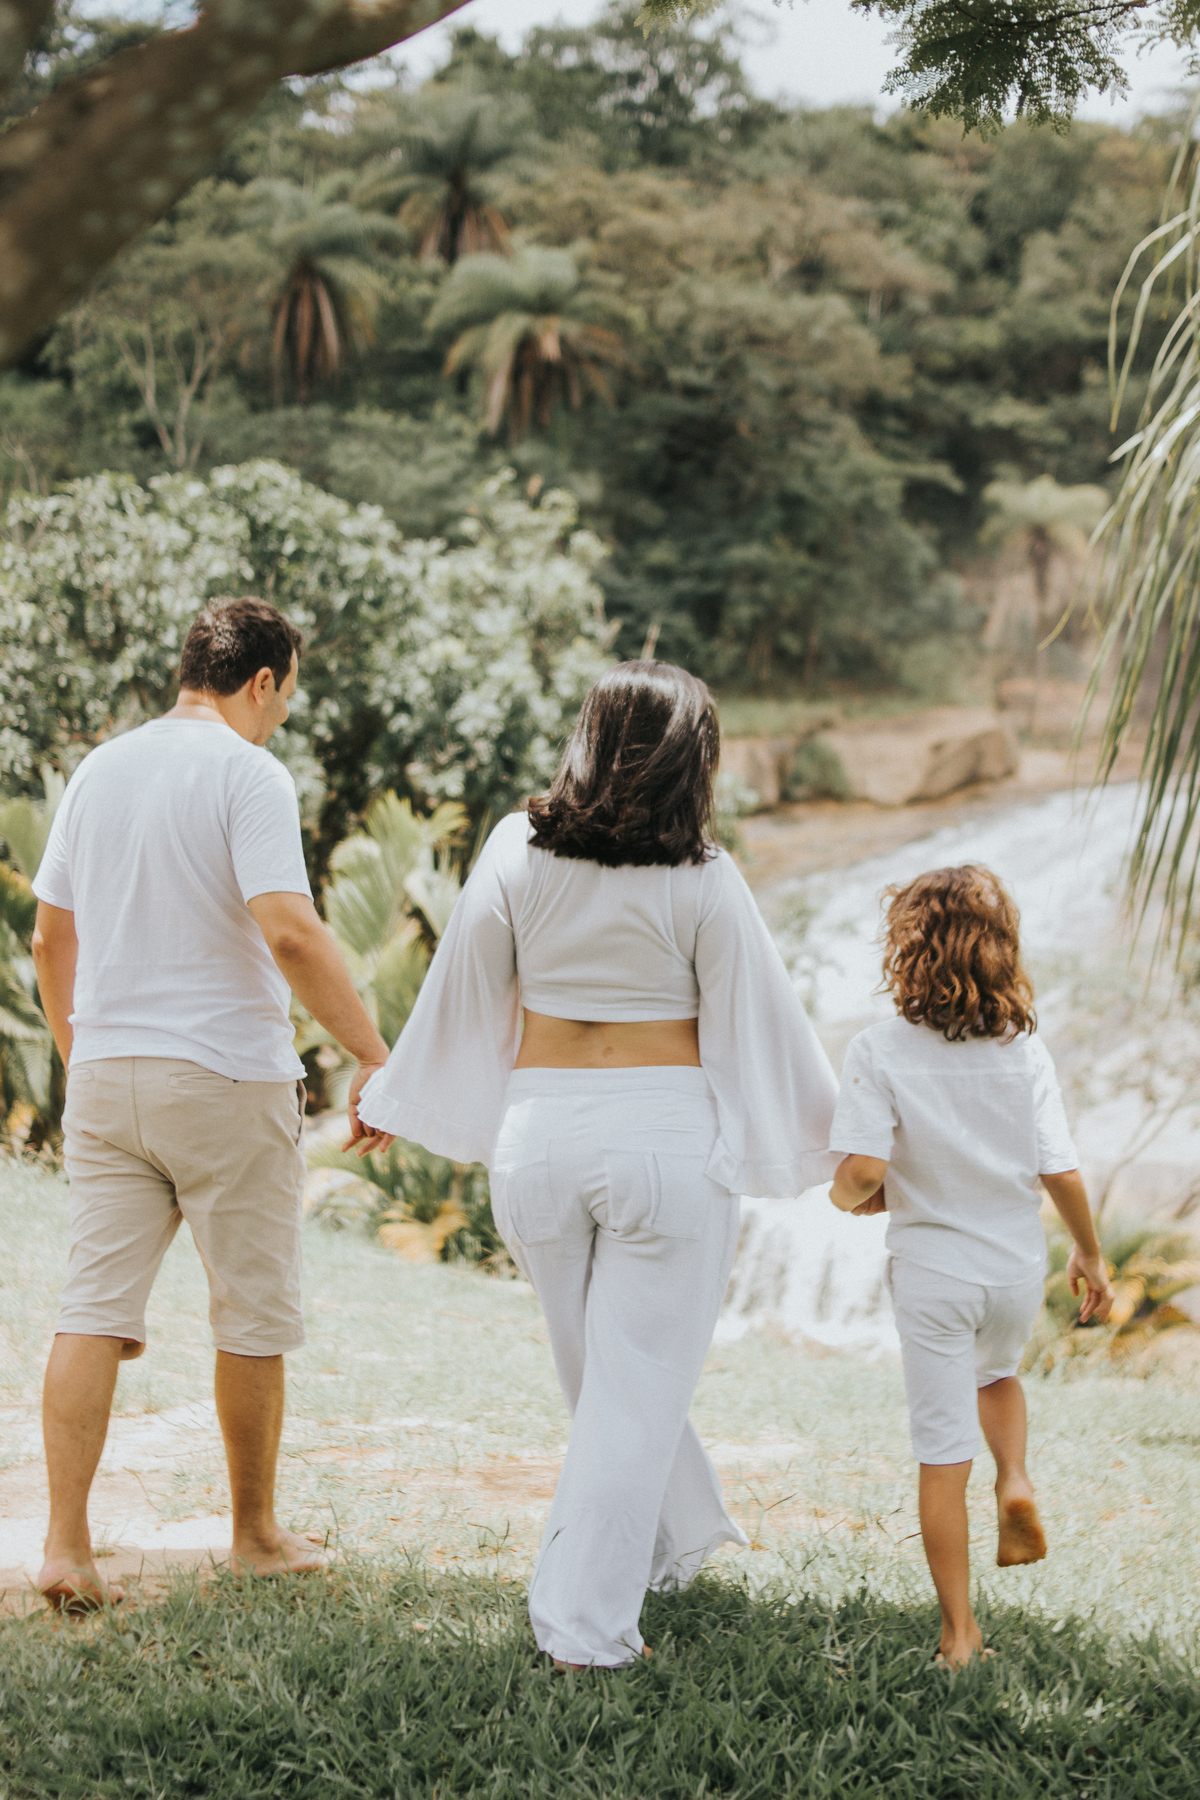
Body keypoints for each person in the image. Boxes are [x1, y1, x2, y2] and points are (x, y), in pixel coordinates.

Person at [355, 660, 838, 1669]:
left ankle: (671, 1539)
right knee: (632, 1388)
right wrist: (841, 1147)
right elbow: (763, 1025)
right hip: (662, 1145)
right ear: (690, 760)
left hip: (537, 1144)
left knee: (604, 1378)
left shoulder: (512, 849)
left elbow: (460, 990)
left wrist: (392, 1094)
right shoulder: (705, 876)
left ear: (589, 737)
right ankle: (584, 1630)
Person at [30, 596, 394, 1611]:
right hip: (224, 1079)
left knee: (92, 1309)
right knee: (250, 1310)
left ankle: (65, 1547)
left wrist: (82, 1051)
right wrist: (374, 1054)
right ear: (264, 679)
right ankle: (255, 1535)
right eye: (287, 693)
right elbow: (289, 930)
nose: (281, 714)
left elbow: (47, 940)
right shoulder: (249, 773)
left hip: (107, 1076)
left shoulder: (101, 769)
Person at [827, 863, 1114, 1668]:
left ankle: (959, 1636)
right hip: (1014, 1270)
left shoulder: (879, 1049)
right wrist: (1089, 1253)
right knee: (1000, 1376)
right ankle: (1015, 1477)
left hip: (933, 1275)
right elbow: (1059, 1169)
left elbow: (860, 1174)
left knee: (941, 1457)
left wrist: (844, 1201)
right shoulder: (1023, 1052)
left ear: (908, 951)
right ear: (1000, 950)